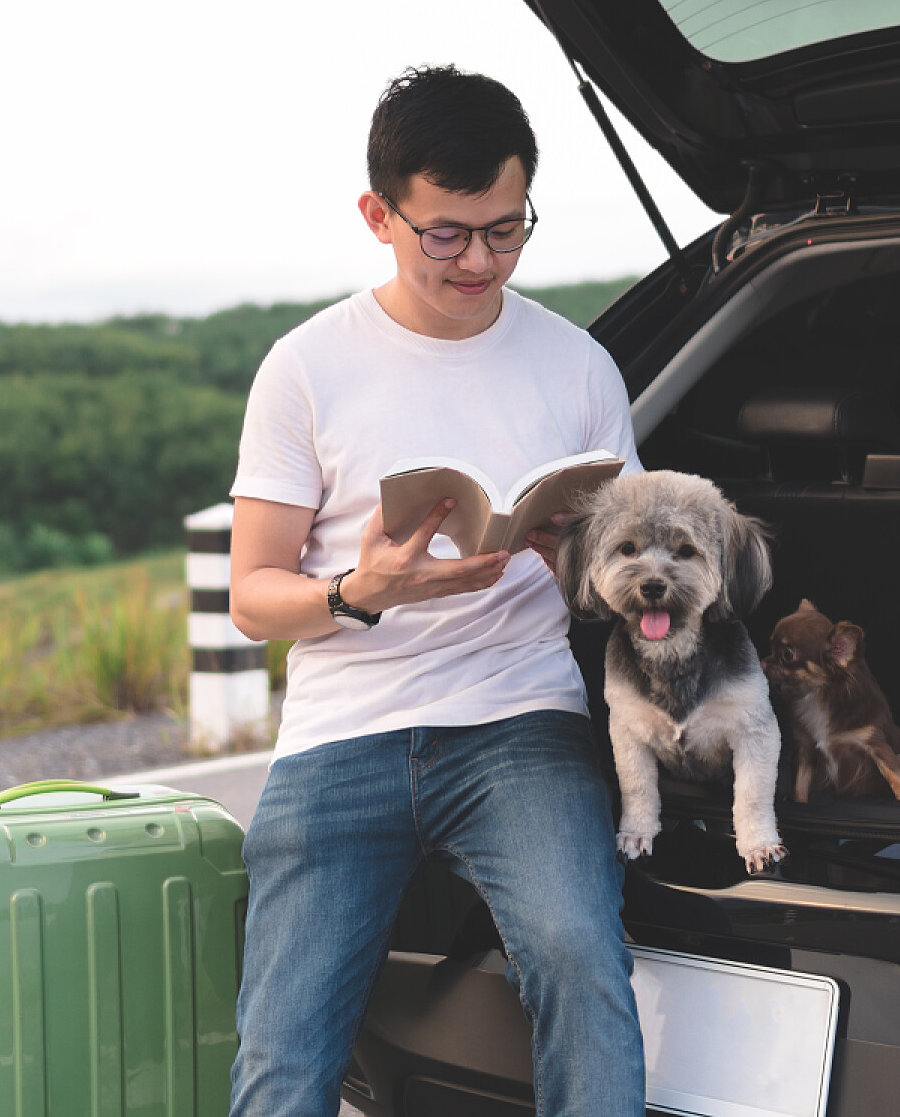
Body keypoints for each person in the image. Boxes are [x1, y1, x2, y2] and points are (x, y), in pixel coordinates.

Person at [226, 64, 646, 1117]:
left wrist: (568, 558)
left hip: (518, 720)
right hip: (343, 730)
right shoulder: (306, 366)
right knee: (285, 1041)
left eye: (507, 230)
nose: (479, 261)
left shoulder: (578, 366)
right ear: (380, 214)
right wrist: (359, 592)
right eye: (447, 234)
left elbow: (633, 576)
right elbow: (252, 595)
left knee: (579, 954)